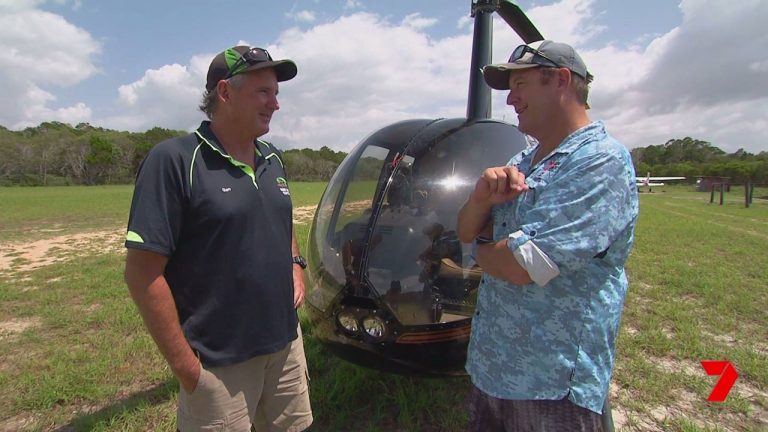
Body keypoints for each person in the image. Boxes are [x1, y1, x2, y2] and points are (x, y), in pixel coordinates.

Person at [123, 45, 312, 431]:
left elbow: (280, 217)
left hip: (285, 345)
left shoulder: (273, 158)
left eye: (276, 93)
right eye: (264, 92)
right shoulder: (174, 160)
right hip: (218, 363)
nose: (275, 104)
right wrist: (187, 369)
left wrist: (294, 263)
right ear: (224, 93)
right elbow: (142, 274)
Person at [457, 40, 639, 431]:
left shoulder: (601, 161)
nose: (511, 99)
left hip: (550, 387)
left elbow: (524, 265)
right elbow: (466, 229)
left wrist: (480, 251)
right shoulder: (521, 162)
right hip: (492, 369)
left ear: (560, 80)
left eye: (520, 85)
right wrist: (478, 201)